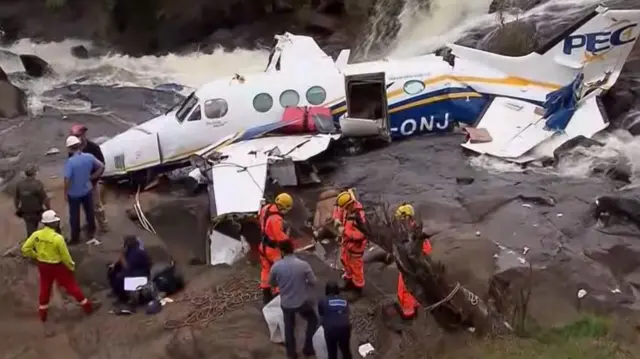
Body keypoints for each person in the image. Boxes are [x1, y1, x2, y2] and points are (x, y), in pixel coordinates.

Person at [21, 210, 99, 323]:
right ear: (52, 223)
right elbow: (65, 256)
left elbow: (25, 249)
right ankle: (87, 306)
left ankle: (43, 314)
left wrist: (36, 255)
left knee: (45, 288)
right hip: (57, 266)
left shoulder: (36, 235)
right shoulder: (58, 238)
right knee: (71, 286)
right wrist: (71, 266)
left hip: (43, 265)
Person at [269, 240, 318, 359]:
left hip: (286, 303)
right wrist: (303, 282)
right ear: (293, 249)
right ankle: (308, 347)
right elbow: (313, 282)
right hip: (301, 302)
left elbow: (272, 283)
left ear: (282, 251)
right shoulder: (303, 265)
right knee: (313, 320)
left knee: (289, 328)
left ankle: (291, 354)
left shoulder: (276, 266)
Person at [394, 203, 432, 320]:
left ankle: (408, 313)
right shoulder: (410, 230)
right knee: (412, 289)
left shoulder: (413, 232)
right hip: (411, 266)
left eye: (401, 218)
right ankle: (413, 307)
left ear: (406, 217)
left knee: (405, 289)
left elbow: (425, 249)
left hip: (410, 268)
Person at [64, 135, 104, 244]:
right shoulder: (89, 157)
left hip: (74, 193)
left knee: (74, 216)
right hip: (87, 190)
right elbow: (101, 166)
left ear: (69, 148)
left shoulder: (70, 162)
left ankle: (75, 238)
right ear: (79, 146)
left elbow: (67, 179)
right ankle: (91, 232)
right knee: (90, 212)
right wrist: (93, 177)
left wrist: (65, 192)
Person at [69, 124, 108, 233]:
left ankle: (103, 225)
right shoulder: (72, 149)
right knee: (86, 206)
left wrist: (93, 178)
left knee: (97, 205)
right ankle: (89, 223)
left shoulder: (93, 148)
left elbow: (102, 165)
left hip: (92, 182)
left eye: (78, 136)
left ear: (84, 135)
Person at [259, 192, 294, 304]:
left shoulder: (266, 208)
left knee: (266, 269)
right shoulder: (276, 219)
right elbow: (281, 238)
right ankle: (280, 293)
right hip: (272, 249)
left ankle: (266, 293)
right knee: (280, 270)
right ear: (283, 207)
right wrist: (289, 246)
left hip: (262, 245)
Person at [334, 190, 368, 296]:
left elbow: (360, 235)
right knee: (345, 260)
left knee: (356, 268)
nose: (343, 210)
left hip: (356, 247)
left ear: (349, 205)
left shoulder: (359, 217)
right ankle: (349, 280)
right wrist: (336, 219)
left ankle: (358, 289)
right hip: (347, 244)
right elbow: (338, 210)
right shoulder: (347, 208)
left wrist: (344, 231)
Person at [108, 235, 152, 304]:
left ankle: (123, 298)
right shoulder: (130, 250)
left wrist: (122, 255)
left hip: (140, 275)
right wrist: (114, 264)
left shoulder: (137, 252)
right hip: (134, 271)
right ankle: (115, 291)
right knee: (112, 271)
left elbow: (128, 267)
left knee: (120, 278)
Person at [318, 281, 353, 359]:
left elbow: (321, 315)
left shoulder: (323, 300)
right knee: (345, 349)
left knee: (332, 352)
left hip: (330, 329)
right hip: (345, 328)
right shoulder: (345, 300)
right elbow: (346, 313)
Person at [14, 163, 50, 237]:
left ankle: (31, 245)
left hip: (26, 212)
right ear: (34, 173)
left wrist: (18, 209)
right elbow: (45, 198)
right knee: (52, 223)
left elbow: (16, 199)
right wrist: (49, 209)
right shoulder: (37, 184)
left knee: (31, 231)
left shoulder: (19, 184)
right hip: (37, 211)